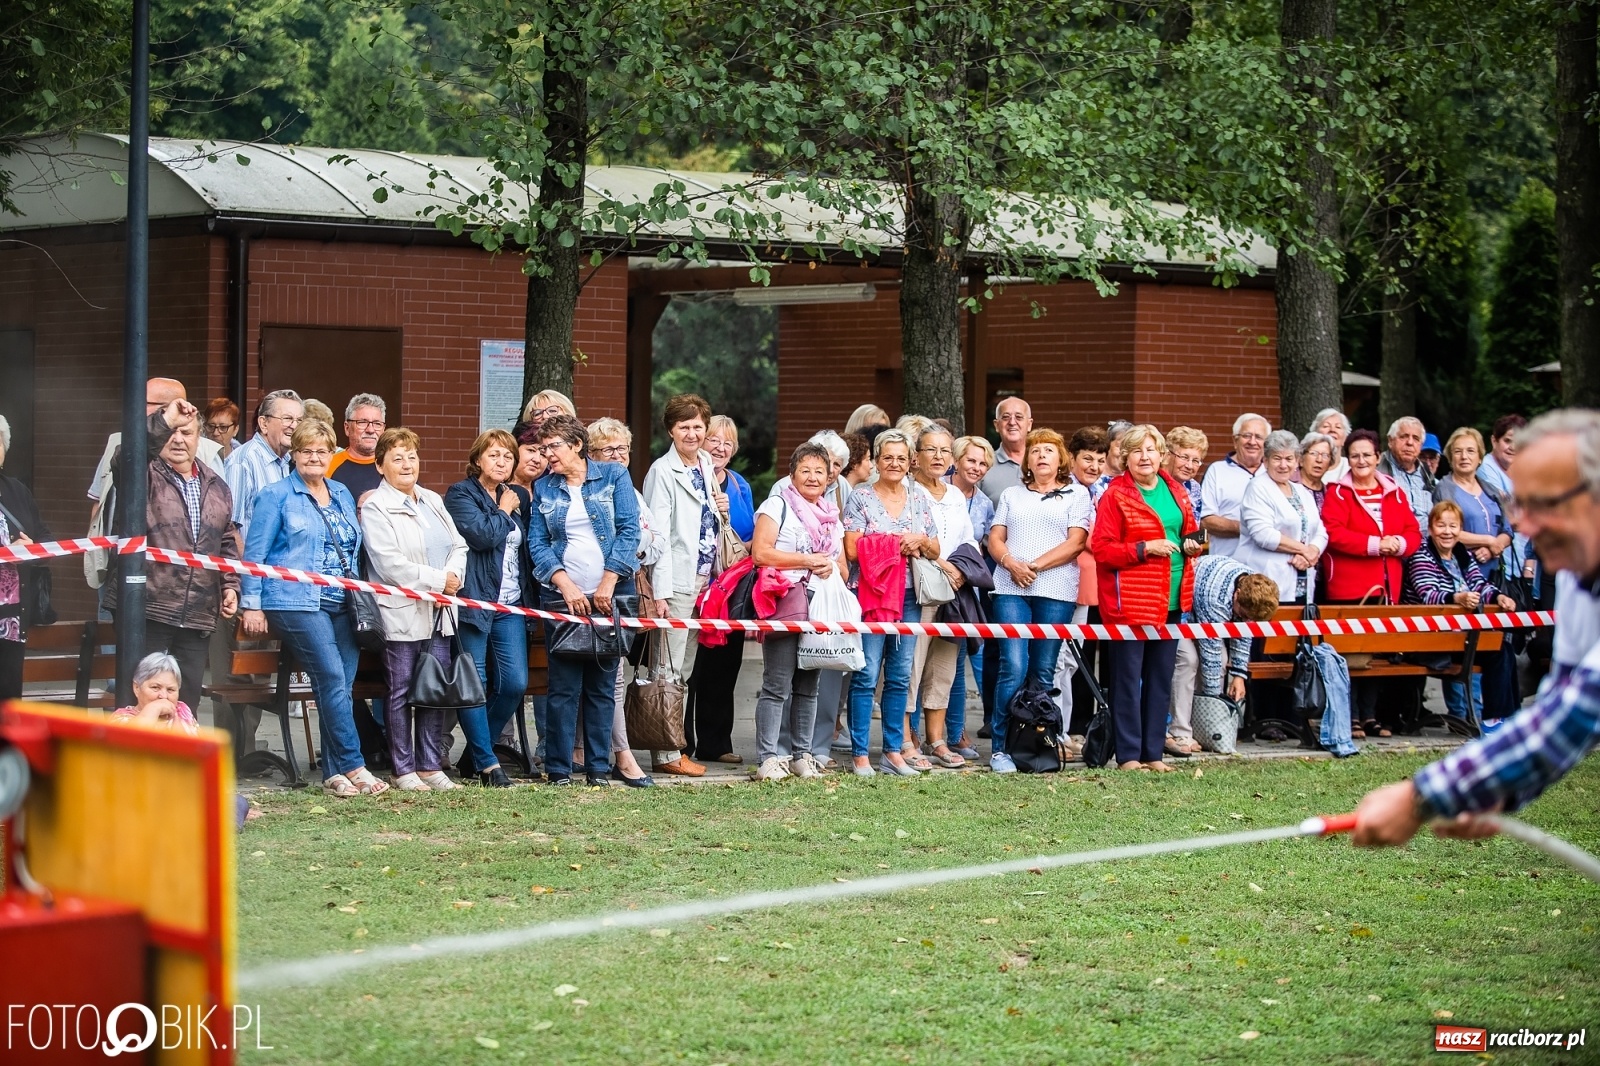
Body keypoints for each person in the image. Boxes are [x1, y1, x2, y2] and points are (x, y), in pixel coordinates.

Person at [1351, 409, 1600, 849]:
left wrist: (1421, 797)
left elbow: (1577, 713)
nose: (1522, 525)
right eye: (1519, 505)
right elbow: (1559, 702)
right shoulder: (1578, 580)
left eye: (1542, 504)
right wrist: (1497, 792)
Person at [241, 420, 389, 797]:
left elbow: (352, 548)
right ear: (295, 454)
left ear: (330, 454)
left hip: (344, 602)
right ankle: (355, 765)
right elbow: (255, 554)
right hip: (294, 600)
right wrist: (251, 604)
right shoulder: (275, 495)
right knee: (331, 677)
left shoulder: (339, 491)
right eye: (306, 450)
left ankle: (334, 774)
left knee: (340, 683)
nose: (314, 457)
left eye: (322, 451)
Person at [105, 399, 241, 714]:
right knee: (138, 696)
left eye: (187, 432)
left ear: (200, 439)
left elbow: (226, 540)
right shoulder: (142, 473)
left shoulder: (216, 485)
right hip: (147, 605)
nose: (179, 439)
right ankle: (133, 760)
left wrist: (230, 585)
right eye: (172, 432)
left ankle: (177, 761)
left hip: (197, 611)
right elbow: (128, 456)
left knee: (185, 701)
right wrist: (164, 420)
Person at [526, 414, 641, 787]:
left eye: (553, 447)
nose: (548, 456)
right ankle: (558, 769)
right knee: (562, 687)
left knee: (602, 686)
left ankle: (598, 768)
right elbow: (538, 543)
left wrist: (609, 581)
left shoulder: (613, 476)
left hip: (611, 596)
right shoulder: (544, 488)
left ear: (576, 445)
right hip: (563, 599)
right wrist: (565, 585)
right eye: (543, 449)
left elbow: (628, 529)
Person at [360, 427, 470, 792]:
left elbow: (459, 545)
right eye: (397, 457)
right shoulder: (376, 506)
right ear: (380, 466)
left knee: (433, 690)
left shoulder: (432, 500)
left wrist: (453, 575)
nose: (407, 464)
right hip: (402, 611)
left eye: (411, 456)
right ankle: (403, 769)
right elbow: (390, 565)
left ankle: (429, 765)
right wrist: (440, 581)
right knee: (401, 691)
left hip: (440, 613)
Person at [1091, 424, 1204, 772]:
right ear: (1126, 457)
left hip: (1172, 598)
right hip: (1131, 602)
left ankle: (1153, 753)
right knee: (1126, 680)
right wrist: (1144, 548)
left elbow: (1187, 531)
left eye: (1151, 450)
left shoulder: (1176, 490)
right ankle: (1128, 756)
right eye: (1137, 450)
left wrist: (1193, 544)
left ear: (1162, 456)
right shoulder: (1116, 495)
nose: (1144, 457)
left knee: (1160, 678)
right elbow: (1102, 549)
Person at [986, 428, 1091, 774]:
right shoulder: (1013, 495)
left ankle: (1035, 744)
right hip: (1010, 587)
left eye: (1049, 450)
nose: (1042, 455)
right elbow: (995, 538)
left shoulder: (1077, 494)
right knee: (1013, 665)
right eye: (1035, 451)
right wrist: (1011, 564)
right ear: (1027, 460)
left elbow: (1076, 543)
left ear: (1061, 459)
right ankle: (1001, 748)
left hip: (1056, 590)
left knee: (1043, 671)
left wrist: (1033, 566)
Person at [843, 429, 941, 777]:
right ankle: (859, 754)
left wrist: (920, 540)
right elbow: (853, 549)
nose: (895, 464)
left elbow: (935, 548)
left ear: (911, 460)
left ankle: (892, 751)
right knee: (867, 674)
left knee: (900, 676)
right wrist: (897, 542)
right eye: (888, 457)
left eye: (902, 458)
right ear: (877, 460)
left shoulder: (918, 497)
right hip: (871, 594)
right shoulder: (861, 496)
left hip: (911, 594)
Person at [749, 442, 843, 781]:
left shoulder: (832, 514)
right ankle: (768, 758)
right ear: (792, 474)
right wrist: (807, 561)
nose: (813, 477)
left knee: (809, 684)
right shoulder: (777, 505)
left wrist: (831, 568)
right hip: (784, 601)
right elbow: (760, 553)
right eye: (806, 470)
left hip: (819, 605)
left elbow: (841, 565)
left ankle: (803, 756)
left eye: (820, 471)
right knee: (777, 684)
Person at [1319, 428, 1422, 738]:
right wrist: (1377, 544)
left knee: (1375, 653)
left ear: (1378, 457)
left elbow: (1413, 532)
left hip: (1387, 586)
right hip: (1350, 588)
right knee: (1349, 654)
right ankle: (1349, 716)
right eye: (1355, 455)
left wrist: (1398, 544)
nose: (1361, 460)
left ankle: (1369, 715)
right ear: (1347, 459)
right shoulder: (1338, 491)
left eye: (1367, 454)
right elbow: (1334, 534)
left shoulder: (1395, 490)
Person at [443, 430, 532, 788]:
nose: (501, 462)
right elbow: (482, 536)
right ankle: (487, 764)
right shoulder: (461, 493)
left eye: (507, 457)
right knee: (474, 683)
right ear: (478, 459)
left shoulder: (519, 496)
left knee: (514, 683)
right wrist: (503, 510)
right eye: (493, 455)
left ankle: (475, 756)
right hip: (475, 601)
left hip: (510, 603)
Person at [641, 393, 722, 778]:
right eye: (684, 426)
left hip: (707, 579)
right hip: (677, 581)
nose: (692, 433)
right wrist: (661, 591)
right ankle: (665, 752)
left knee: (685, 667)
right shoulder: (662, 471)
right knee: (667, 668)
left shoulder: (705, 463)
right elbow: (659, 535)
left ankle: (672, 744)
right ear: (671, 430)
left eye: (697, 426)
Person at [587, 417, 662, 787]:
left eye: (623, 449)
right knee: (609, 678)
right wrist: (631, 552)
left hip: (629, 590)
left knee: (614, 675)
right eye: (608, 449)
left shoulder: (631, 492)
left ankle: (598, 750)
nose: (618, 456)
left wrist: (638, 550)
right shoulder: (592, 489)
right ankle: (621, 754)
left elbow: (654, 541)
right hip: (598, 591)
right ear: (591, 454)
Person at [1404, 500, 1519, 728]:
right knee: (1496, 648)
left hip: (1458, 638)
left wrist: (1498, 597)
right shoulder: (1421, 556)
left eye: (1453, 526)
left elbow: (1479, 583)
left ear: (1460, 530)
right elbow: (1429, 594)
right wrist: (1457, 598)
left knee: (1501, 647)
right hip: (1429, 641)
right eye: (1441, 526)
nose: (1447, 532)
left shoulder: (1461, 554)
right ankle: (1496, 719)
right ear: (1430, 529)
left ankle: (1504, 718)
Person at [908, 424, 980, 769]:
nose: (938, 457)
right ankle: (906, 740)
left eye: (944, 451)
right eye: (930, 450)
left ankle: (937, 739)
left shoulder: (954, 494)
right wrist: (943, 565)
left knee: (943, 667)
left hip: (953, 591)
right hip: (919, 587)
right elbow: (913, 538)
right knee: (911, 665)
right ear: (915, 456)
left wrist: (961, 570)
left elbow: (969, 538)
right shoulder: (906, 492)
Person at [686, 414, 755, 764]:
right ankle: (680, 743)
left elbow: (754, 531)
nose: (720, 448)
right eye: (714, 439)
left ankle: (716, 743)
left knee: (725, 665)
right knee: (689, 669)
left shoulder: (741, 485)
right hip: (696, 584)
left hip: (732, 587)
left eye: (728, 442)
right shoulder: (688, 477)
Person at [89, 377, 226, 526]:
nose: (136, 408)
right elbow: (99, 503)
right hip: (122, 546)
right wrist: (94, 546)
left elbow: (221, 515)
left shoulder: (207, 453)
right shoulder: (119, 443)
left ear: (173, 408)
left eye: (144, 403)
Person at [1052, 426, 1110, 736]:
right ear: (1071, 457)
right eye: (1087, 458)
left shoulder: (1098, 490)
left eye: (1100, 460)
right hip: (1062, 582)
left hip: (1086, 587)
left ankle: (1063, 730)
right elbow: (1090, 538)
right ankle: (1054, 729)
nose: (1094, 467)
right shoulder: (1065, 490)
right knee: (1059, 658)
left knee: (1072, 661)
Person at [1234, 431, 1327, 606]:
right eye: (1277, 458)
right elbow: (1263, 535)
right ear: (1266, 461)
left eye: (1289, 459)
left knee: (1298, 632)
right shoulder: (1258, 487)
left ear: (1297, 461)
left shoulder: (1301, 491)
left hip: (1302, 581)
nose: (1283, 465)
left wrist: (1311, 552)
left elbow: (1320, 531)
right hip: (1265, 585)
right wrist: (1303, 550)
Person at [1163, 425, 1210, 758]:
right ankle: (1161, 728)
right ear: (1168, 453)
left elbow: (1199, 534)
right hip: (1149, 586)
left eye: (1197, 460)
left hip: (1183, 586)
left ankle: (1178, 730)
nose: (1191, 465)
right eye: (1185, 456)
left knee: (1185, 658)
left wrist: (1196, 546)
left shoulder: (1194, 489)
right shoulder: (1153, 486)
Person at [0, 416, 49, 702]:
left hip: (10, 620)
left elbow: (45, 539)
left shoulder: (16, 490)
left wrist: (31, 549)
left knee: (7, 700)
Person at [1189, 556, 1282, 706]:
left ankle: (1201, 715)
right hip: (1185, 613)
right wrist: (1215, 704)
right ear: (1237, 594)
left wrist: (1239, 676)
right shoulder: (1216, 598)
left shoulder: (1252, 589)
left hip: (1209, 615)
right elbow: (1210, 653)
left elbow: (1243, 634)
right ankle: (1182, 724)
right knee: (1189, 661)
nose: (1246, 620)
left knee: (1222, 660)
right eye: (1244, 615)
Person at [225, 389, 304, 539]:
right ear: (263, 423)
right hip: (253, 561)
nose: (294, 426)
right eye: (287, 418)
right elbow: (229, 527)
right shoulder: (242, 461)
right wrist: (247, 563)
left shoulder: (286, 460)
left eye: (299, 420)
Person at [1199, 413, 1270, 557]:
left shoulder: (1273, 473)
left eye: (1259, 437)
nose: (1252, 442)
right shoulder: (1217, 470)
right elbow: (1205, 520)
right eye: (1246, 435)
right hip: (1226, 564)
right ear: (1235, 440)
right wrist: (1251, 528)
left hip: (1267, 567)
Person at [110, 653, 199, 735]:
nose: (164, 696)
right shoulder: (121, 718)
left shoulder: (182, 711)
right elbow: (132, 740)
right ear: (137, 688)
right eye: (155, 687)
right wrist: (154, 708)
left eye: (170, 689)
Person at [326, 393, 388, 501]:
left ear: (383, 429)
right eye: (362, 422)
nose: (370, 430)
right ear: (347, 428)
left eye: (377, 424)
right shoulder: (328, 465)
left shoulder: (393, 465)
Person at [1378, 416, 1436, 528]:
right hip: (1395, 540)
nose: (1410, 442)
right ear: (1390, 441)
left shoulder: (1426, 471)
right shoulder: (1377, 468)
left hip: (1429, 540)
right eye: (1404, 437)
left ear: (1420, 445)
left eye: (1416, 438)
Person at [980, 397, 1032, 505]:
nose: (1012, 422)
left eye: (1019, 417)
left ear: (1029, 424)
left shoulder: (1043, 464)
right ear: (997, 425)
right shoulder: (983, 465)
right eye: (1005, 417)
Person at [1478, 414, 1525, 498]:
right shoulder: (1486, 467)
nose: (1513, 447)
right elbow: (1502, 506)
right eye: (1507, 441)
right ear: (1494, 441)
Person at [1165, 426, 1209, 515]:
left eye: (1195, 461)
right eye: (1184, 457)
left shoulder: (1194, 488)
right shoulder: (1153, 482)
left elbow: (1194, 525)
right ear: (1168, 455)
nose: (1189, 466)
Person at [1310, 407, 1352, 483]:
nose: (1332, 430)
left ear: (1344, 439)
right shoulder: (1306, 468)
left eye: (1338, 427)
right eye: (1326, 426)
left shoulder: (1351, 468)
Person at [1297, 430, 1337, 509]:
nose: (1319, 460)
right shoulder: (1287, 485)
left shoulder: (1330, 494)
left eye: (1325, 455)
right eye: (1313, 453)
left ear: (1330, 463)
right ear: (1301, 459)